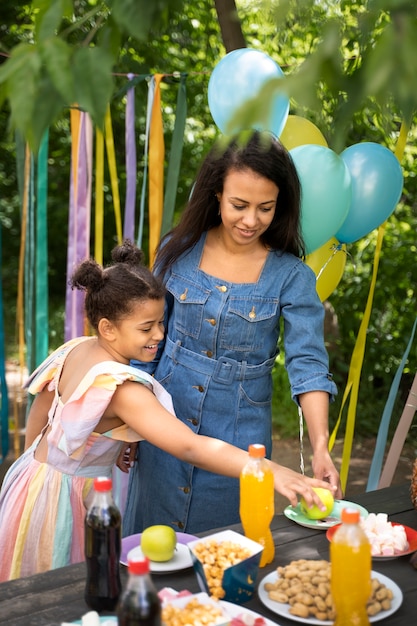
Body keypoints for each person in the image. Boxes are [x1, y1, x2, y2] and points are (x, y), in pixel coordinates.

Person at [0, 240, 332, 582]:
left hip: (30, 484)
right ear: (108, 327)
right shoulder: (123, 388)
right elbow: (191, 447)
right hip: (62, 508)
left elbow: (40, 414)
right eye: (146, 328)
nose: (160, 334)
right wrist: (272, 472)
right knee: (57, 593)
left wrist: (40, 476)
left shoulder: (76, 349)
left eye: (161, 322)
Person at [122, 130, 342, 536]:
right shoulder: (177, 251)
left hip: (241, 444)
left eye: (266, 208)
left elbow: (308, 365)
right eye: (239, 205)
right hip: (164, 430)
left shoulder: (292, 277)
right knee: (150, 551)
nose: (251, 220)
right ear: (216, 195)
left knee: (222, 557)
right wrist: (131, 426)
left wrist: (321, 447)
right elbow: (145, 345)